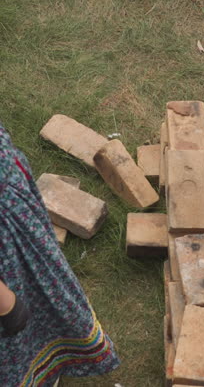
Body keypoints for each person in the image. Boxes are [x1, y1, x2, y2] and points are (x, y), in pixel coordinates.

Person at [0, 123, 120, 386]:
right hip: (5, 257)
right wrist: (7, 304)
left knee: (40, 297)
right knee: (17, 333)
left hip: (12, 211)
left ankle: (42, 364)